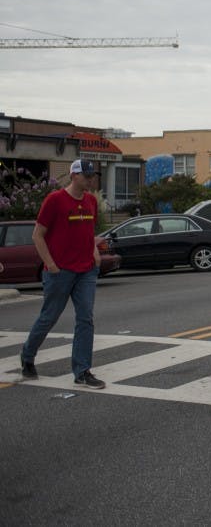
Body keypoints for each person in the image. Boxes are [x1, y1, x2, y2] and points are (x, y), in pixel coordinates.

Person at [20, 159, 106, 389]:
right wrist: (50, 264)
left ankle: (82, 371)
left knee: (86, 318)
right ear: (74, 176)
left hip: (86, 270)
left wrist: (94, 253)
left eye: (93, 176)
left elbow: (88, 232)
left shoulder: (90, 201)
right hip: (60, 271)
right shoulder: (55, 200)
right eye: (87, 176)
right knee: (49, 317)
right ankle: (28, 355)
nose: (91, 179)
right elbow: (37, 235)